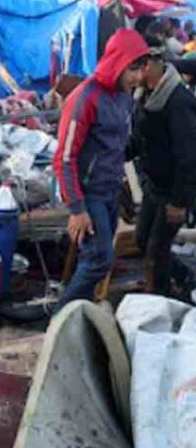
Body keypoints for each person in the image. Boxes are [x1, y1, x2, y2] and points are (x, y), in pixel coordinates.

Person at [53, 29, 150, 307]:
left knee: (97, 258)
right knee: (99, 260)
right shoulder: (85, 98)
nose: (138, 77)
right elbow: (65, 157)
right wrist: (76, 208)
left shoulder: (123, 96)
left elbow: (119, 144)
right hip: (87, 193)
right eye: (133, 69)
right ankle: (62, 319)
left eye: (140, 70)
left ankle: (80, 315)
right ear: (117, 63)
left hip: (110, 188)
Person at [131, 36, 196, 296]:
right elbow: (139, 139)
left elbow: (189, 156)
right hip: (154, 184)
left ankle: (164, 301)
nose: (133, 74)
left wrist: (180, 202)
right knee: (142, 239)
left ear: (150, 65)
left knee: (156, 251)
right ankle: (186, 276)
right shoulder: (145, 96)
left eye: (137, 67)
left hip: (174, 189)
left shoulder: (178, 100)